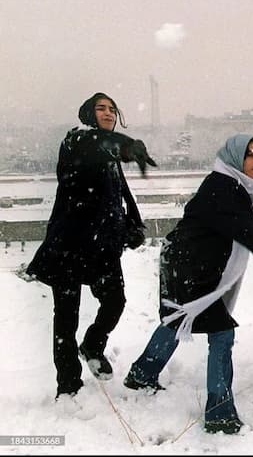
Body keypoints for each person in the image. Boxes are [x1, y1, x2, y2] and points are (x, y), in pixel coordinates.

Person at [124, 134, 253, 435]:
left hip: (188, 261)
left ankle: (142, 374)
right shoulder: (224, 188)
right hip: (190, 265)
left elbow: (242, 230)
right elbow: (249, 231)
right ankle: (219, 411)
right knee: (220, 331)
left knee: (179, 317)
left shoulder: (229, 184)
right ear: (236, 158)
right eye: (251, 154)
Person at [27, 92, 156, 399]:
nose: (108, 113)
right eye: (101, 108)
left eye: (112, 108)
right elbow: (98, 144)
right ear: (88, 113)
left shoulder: (109, 155)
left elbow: (120, 194)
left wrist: (133, 225)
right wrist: (126, 146)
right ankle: (68, 386)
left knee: (115, 302)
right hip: (69, 246)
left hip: (101, 248)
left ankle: (93, 345)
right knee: (66, 319)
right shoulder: (77, 141)